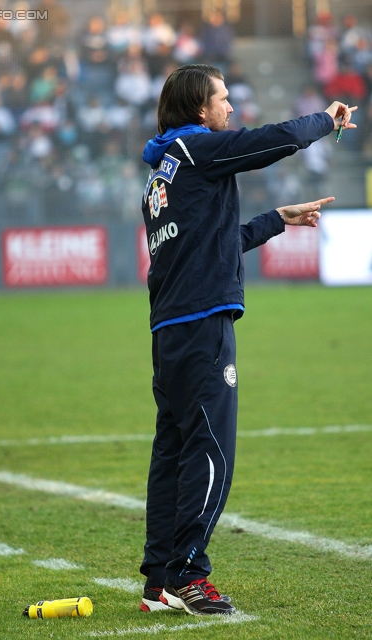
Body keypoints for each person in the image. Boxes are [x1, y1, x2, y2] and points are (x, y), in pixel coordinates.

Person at [139, 64, 356, 616]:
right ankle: (189, 575)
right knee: (212, 449)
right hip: (202, 323)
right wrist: (324, 121)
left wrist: (278, 219)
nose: (231, 108)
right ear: (199, 110)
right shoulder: (195, 150)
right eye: (224, 99)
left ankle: (160, 578)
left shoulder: (163, 170)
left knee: (174, 451)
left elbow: (215, 241)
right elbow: (272, 142)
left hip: (170, 329)